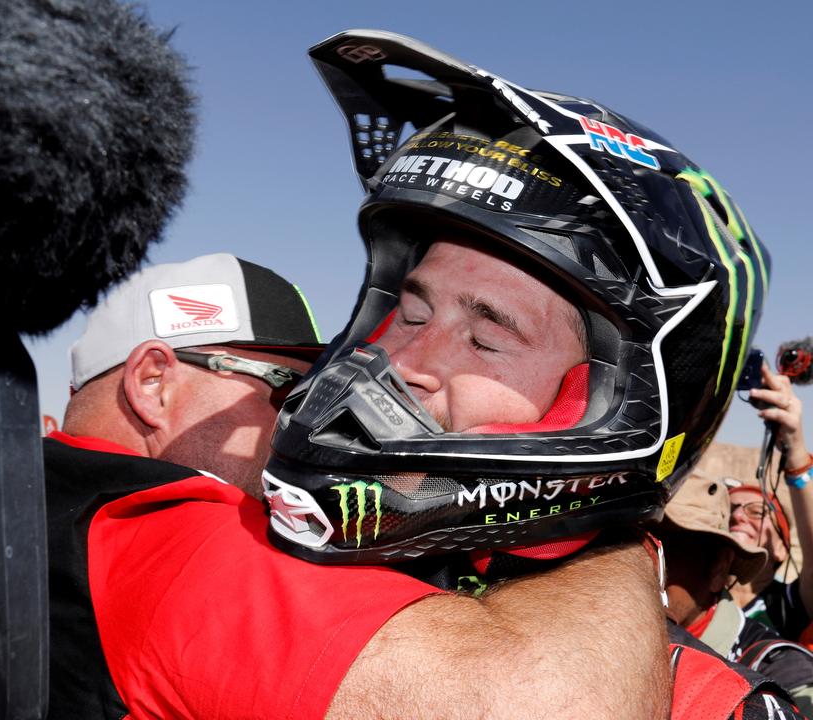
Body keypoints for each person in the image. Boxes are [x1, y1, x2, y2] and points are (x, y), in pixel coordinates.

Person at [53, 30, 797, 720]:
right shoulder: (148, 527)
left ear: (612, 403)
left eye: (486, 335)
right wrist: (614, 529)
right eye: (408, 314)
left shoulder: (705, 684)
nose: (398, 362)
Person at [657, 469, 813, 713]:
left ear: (721, 566)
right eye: (732, 510)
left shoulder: (780, 652)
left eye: (665, 550)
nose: (739, 516)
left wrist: (797, 463)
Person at [729, 363, 813, 644]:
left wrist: (796, 448)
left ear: (781, 548)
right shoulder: (687, 598)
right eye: (729, 510)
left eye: (757, 511)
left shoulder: (787, 607)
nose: (738, 516)